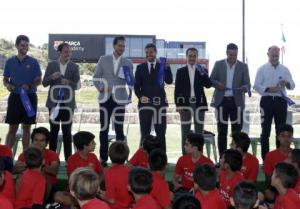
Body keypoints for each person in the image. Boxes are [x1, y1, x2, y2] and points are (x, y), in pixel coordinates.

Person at [93, 36, 134, 166]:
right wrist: (102, 88)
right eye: (119, 45)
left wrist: (130, 86)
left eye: (123, 46)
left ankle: (119, 159)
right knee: (103, 129)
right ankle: (103, 157)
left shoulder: (128, 63)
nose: (121, 48)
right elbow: (95, 78)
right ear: (114, 46)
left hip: (120, 100)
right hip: (105, 99)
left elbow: (131, 82)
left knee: (119, 129)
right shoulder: (103, 59)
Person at [254, 45, 295, 161]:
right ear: (268, 55)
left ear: (279, 55)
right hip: (266, 101)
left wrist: (286, 83)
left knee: (281, 131)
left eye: (276, 55)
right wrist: (269, 89)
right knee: (265, 131)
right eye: (272, 55)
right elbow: (256, 85)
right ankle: (266, 158)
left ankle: (280, 158)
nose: (274, 57)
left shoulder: (285, 69)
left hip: (280, 102)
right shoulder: (262, 69)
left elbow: (292, 85)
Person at [210, 43, 251, 156]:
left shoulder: (243, 66)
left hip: (236, 102)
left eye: (235, 55)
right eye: (231, 55)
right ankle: (222, 158)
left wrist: (244, 87)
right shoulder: (218, 64)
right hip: (221, 101)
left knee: (236, 132)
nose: (233, 57)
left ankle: (235, 157)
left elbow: (248, 84)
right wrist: (218, 84)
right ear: (226, 53)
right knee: (222, 131)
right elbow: (211, 80)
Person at [42, 42, 80, 161]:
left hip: (68, 104)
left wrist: (68, 82)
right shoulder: (51, 65)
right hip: (53, 104)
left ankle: (69, 160)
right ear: (59, 52)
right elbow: (44, 83)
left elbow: (78, 86)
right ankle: (52, 160)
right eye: (65, 52)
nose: (68, 54)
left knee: (67, 132)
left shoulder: (75, 66)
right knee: (53, 131)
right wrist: (52, 77)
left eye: (69, 52)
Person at [3, 35, 42, 150]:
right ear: (16, 46)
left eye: (27, 45)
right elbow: (5, 79)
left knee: (26, 129)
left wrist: (30, 85)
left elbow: (39, 80)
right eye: (22, 45)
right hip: (15, 98)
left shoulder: (34, 62)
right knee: (12, 129)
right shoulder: (10, 62)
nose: (25, 47)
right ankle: (7, 158)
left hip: (29, 98)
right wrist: (8, 85)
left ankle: (26, 159)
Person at [134, 43, 173, 151]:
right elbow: (136, 87)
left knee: (161, 133)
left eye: (151, 52)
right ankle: (143, 159)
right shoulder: (140, 68)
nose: (148, 54)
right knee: (145, 133)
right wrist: (140, 96)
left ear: (155, 52)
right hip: (145, 105)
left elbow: (169, 81)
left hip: (160, 105)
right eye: (146, 52)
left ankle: (161, 159)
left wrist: (168, 68)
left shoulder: (162, 66)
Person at [175, 47, 212, 154]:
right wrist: (178, 104)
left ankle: (198, 155)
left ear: (197, 58)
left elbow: (208, 85)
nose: (192, 58)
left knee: (199, 132)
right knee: (185, 131)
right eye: (190, 56)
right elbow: (177, 89)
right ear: (186, 57)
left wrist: (203, 73)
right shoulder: (180, 71)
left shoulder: (202, 70)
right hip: (185, 104)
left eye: (194, 56)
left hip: (199, 103)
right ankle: (185, 156)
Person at [14, 127, 60, 201]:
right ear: (32, 141)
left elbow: (54, 171)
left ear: (46, 143)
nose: (38, 143)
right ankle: (17, 203)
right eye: (36, 140)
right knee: (19, 177)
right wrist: (32, 162)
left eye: (42, 140)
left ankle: (43, 203)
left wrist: (41, 165)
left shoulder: (52, 154)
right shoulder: (25, 154)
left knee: (44, 176)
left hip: (48, 186)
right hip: (29, 183)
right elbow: (15, 169)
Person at [101, 141, 134, 209]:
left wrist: (99, 194)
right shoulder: (130, 171)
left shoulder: (109, 173)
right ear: (127, 156)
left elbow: (111, 200)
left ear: (109, 155)